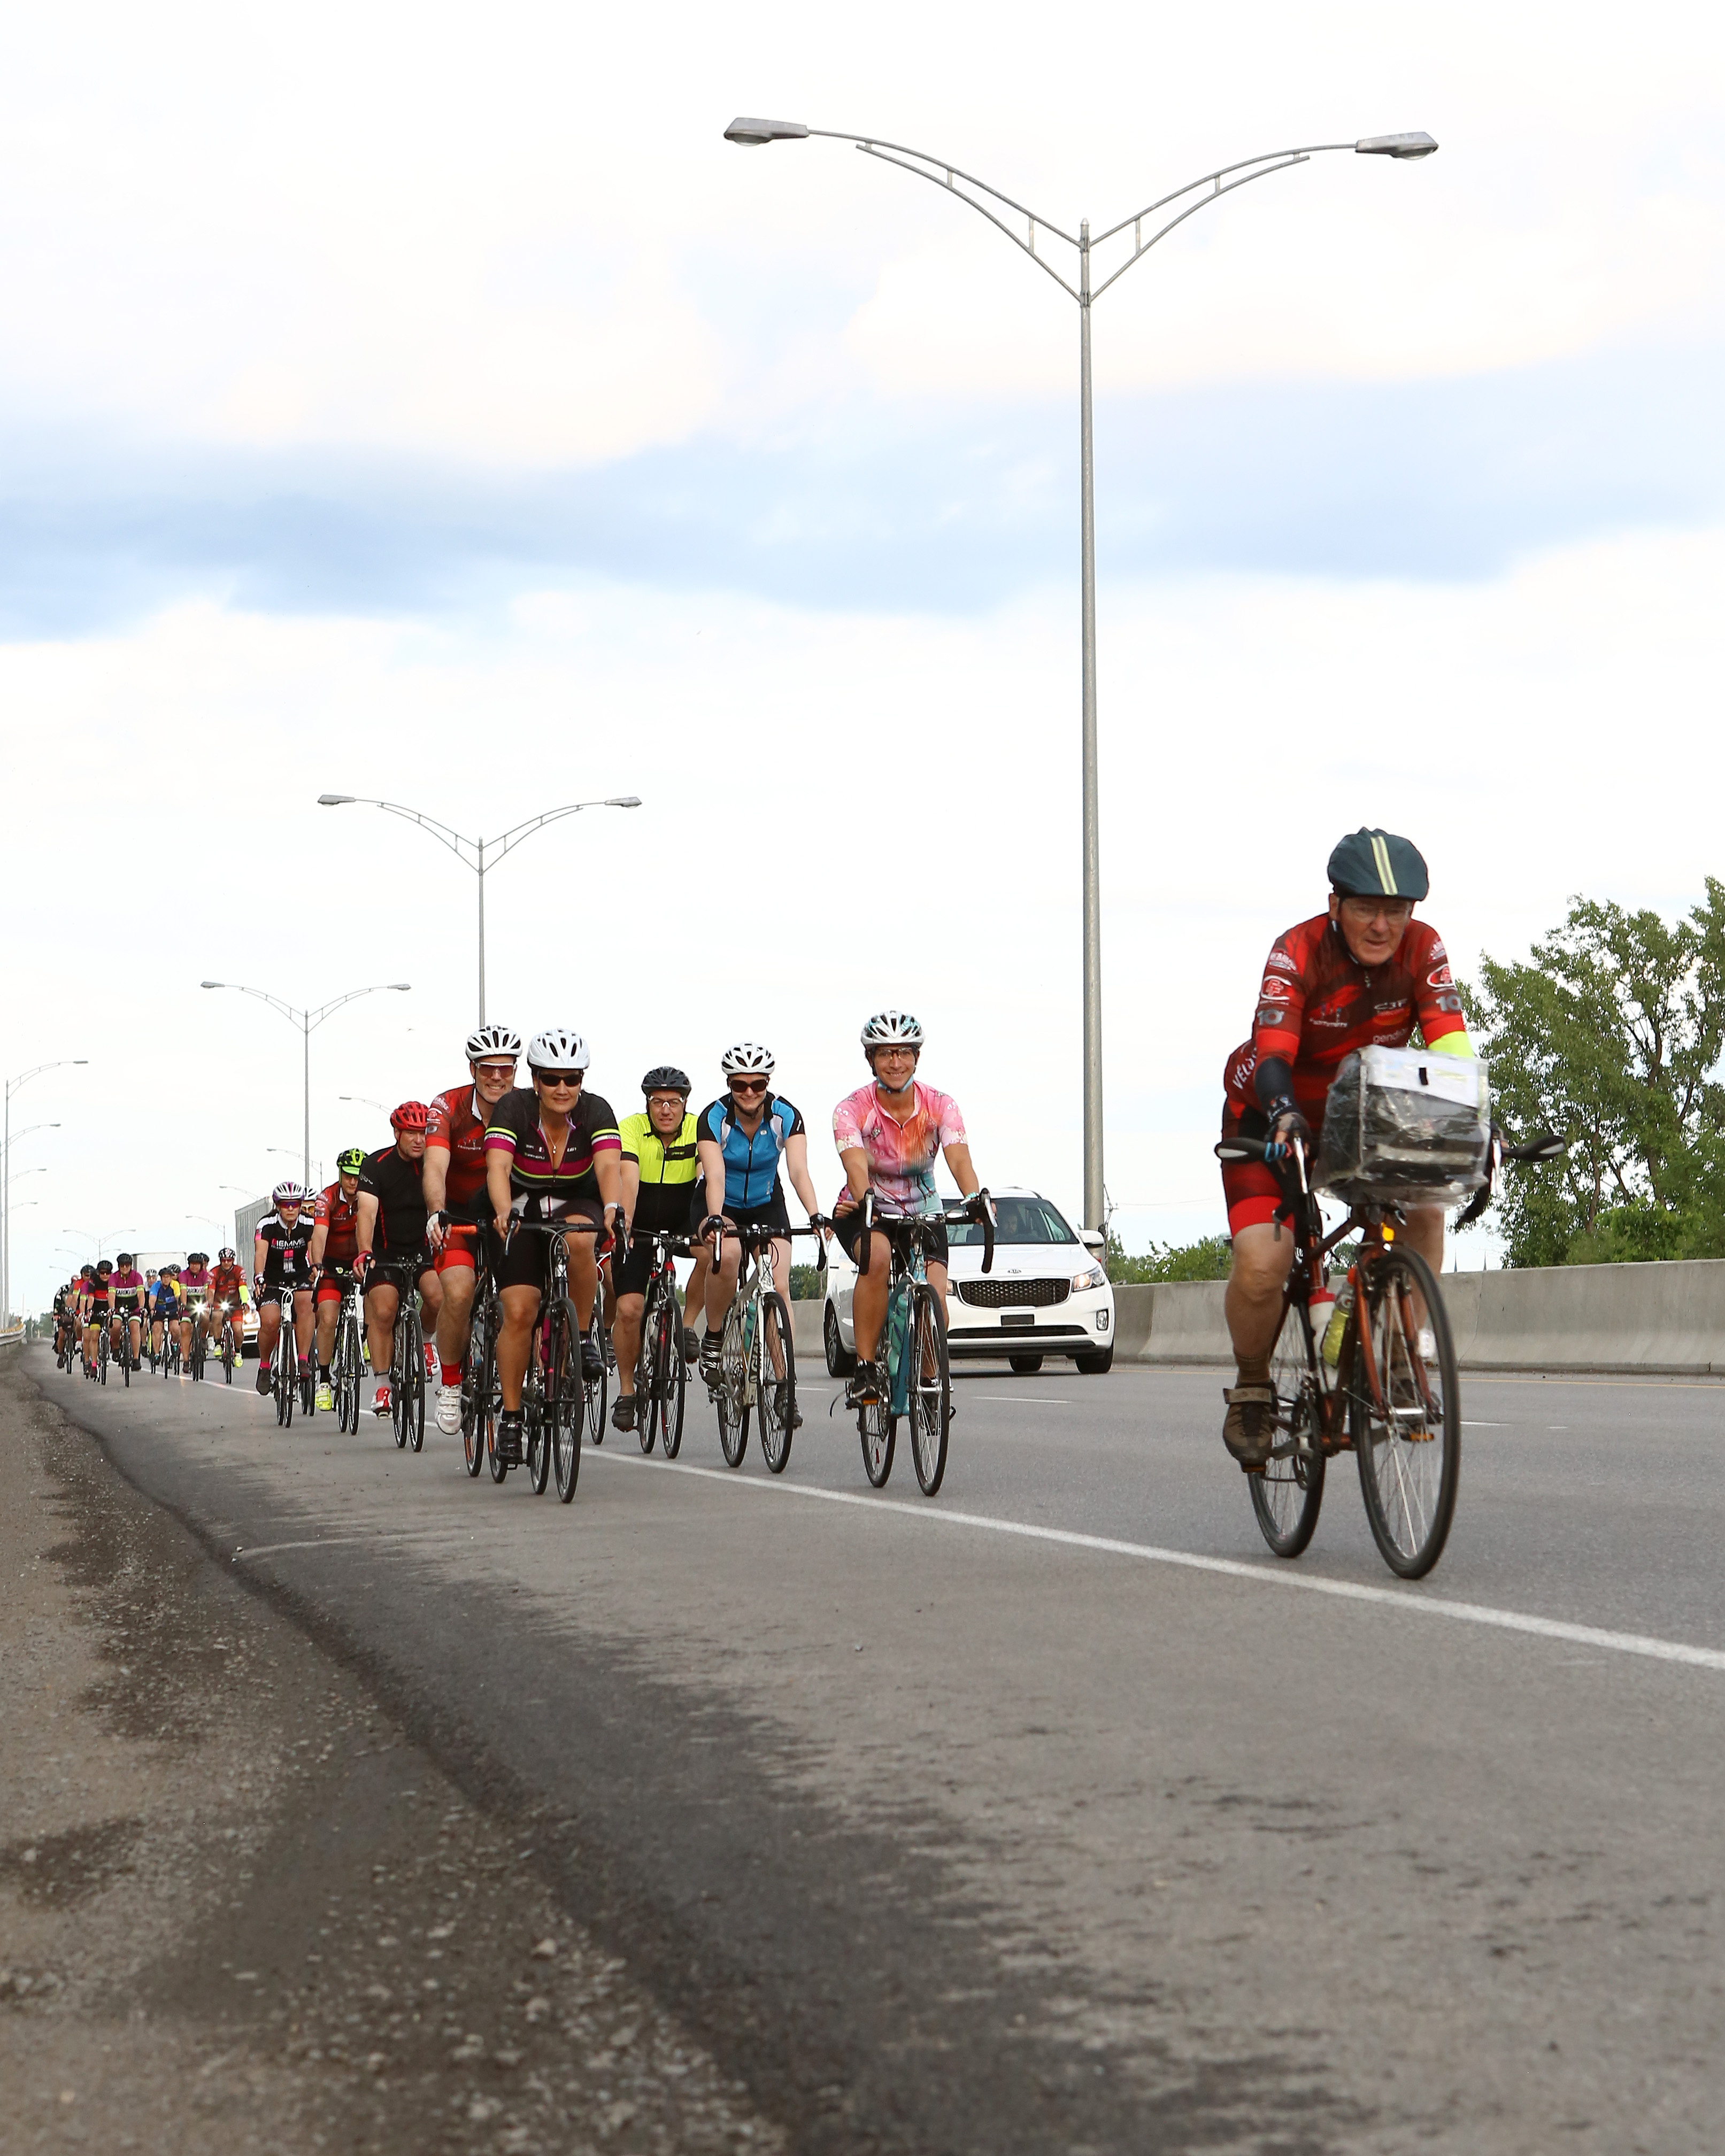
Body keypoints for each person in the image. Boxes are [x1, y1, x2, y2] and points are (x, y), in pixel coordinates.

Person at [1216, 828, 1474, 1470]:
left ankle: (1395, 1358)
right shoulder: (1297, 950)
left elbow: (1450, 1047)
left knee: (1425, 1212)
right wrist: (1280, 1114)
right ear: (1335, 905)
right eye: (1366, 907)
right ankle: (1252, 1384)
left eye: (1397, 909)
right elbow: (1272, 1055)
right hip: (1270, 1112)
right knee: (1263, 1265)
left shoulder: (1423, 947)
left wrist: (1474, 1121)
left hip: (1362, 1115)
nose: (1382, 925)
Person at [830, 1010, 984, 1410]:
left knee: (935, 1298)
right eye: (885, 1054)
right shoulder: (852, 1109)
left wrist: (974, 1197)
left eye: (903, 1053)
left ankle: (930, 1380)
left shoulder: (939, 1104)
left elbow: (959, 1159)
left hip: (923, 1210)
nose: (895, 1062)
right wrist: (865, 1198)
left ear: (916, 1057)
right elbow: (855, 1163)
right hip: (867, 1208)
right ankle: (865, 1367)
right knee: (877, 1259)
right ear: (872, 1060)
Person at [483, 1029, 621, 1465]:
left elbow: (609, 1167)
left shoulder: (596, 1110)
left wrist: (614, 1204)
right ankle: (510, 1418)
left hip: (575, 1201)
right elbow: (498, 1166)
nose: (563, 1089)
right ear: (536, 1080)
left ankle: (579, 1336)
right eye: (552, 1079)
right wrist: (504, 1210)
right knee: (521, 1310)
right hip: (522, 1205)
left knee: (582, 1237)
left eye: (572, 1079)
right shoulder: (514, 1107)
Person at [694, 1043, 826, 1410]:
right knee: (730, 1253)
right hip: (721, 1203)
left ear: (768, 1083)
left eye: (758, 1084)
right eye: (740, 1085)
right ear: (730, 1085)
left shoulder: (786, 1114)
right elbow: (715, 1176)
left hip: (768, 1204)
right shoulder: (713, 1117)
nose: (749, 1092)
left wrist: (815, 1215)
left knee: (778, 1283)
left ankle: (785, 1386)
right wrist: (718, 1219)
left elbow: (798, 1170)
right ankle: (715, 1336)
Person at [422, 1024, 522, 1436]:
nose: (497, 1077)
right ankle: (450, 1381)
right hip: (457, 1215)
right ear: (473, 1068)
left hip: (509, 1213)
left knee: (526, 1297)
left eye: (505, 1068)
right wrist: (437, 1211)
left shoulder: (528, 1109)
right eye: (487, 1069)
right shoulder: (447, 1107)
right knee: (460, 1292)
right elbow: (435, 1166)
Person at [610, 1066, 707, 1434]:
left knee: (710, 1253)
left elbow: (705, 1174)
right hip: (642, 1219)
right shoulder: (632, 1127)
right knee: (630, 1308)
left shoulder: (699, 1128)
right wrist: (628, 1223)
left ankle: (686, 1326)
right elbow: (629, 1179)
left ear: (685, 1103)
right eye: (657, 1102)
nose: (666, 1109)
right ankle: (626, 1390)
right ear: (647, 1103)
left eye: (674, 1102)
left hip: (683, 1215)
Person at [356, 1103, 441, 1420]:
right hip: (385, 1252)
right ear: (397, 1133)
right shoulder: (376, 1165)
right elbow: (366, 1213)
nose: (419, 1140)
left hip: (422, 1248)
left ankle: (427, 1341)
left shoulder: (432, 1163)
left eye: (423, 1133)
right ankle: (382, 1385)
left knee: (437, 1296)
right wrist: (365, 1251)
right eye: (412, 1134)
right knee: (384, 1310)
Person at [306, 1152, 366, 1411]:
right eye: (348, 1176)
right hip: (331, 1264)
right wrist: (318, 1264)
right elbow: (319, 1234)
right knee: (329, 1318)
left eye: (358, 1176)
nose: (353, 1182)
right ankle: (324, 1379)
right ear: (340, 1174)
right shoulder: (326, 1198)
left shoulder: (369, 1196)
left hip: (360, 1260)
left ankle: (364, 1342)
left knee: (381, 1299)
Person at [254, 1183, 315, 1400]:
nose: (291, 1209)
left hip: (299, 1276)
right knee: (270, 1322)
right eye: (286, 1205)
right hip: (271, 1279)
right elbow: (261, 1254)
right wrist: (259, 1276)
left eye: (295, 1204)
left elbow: (313, 1250)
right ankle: (265, 1365)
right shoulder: (267, 1225)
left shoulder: (308, 1223)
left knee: (307, 1303)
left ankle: (303, 1360)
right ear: (278, 1206)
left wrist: (317, 1267)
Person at [109, 1253, 147, 1371]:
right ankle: (116, 1347)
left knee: (135, 1327)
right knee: (116, 1326)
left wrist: (141, 1307)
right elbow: (111, 1294)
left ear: (131, 1266)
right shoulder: (114, 1277)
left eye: (127, 1265)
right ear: (119, 1266)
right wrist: (111, 1307)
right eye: (122, 1266)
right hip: (119, 1307)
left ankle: (136, 1359)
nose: (125, 1268)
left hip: (134, 1307)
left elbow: (141, 1294)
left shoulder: (137, 1276)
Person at [178, 1253, 213, 1375]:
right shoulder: (183, 1275)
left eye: (197, 1265)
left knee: (206, 1317)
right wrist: (183, 1304)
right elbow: (183, 1292)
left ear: (201, 1265)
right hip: (188, 1306)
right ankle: (186, 1361)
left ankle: (203, 1337)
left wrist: (209, 1303)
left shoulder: (205, 1275)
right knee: (185, 1330)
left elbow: (208, 1292)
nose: (194, 1267)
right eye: (192, 1264)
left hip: (200, 1304)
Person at [210, 1247, 247, 1361]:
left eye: (229, 1260)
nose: (226, 1263)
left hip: (235, 1304)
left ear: (233, 1260)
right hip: (219, 1303)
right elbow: (211, 1290)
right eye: (224, 1260)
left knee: (238, 1330)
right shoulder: (214, 1272)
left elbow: (243, 1288)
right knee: (217, 1316)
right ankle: (217, 1344)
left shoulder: (239, 1271)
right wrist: (210, 1303)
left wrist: (245, 1302)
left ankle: (238, 1352)